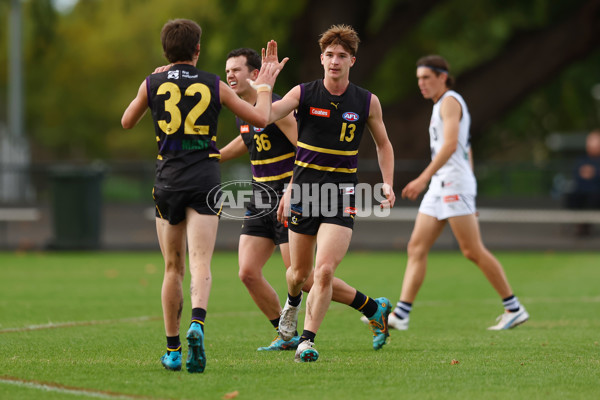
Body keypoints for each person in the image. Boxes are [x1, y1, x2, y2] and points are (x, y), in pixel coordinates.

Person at [121, 19, 286, 373]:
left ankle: (172, 348)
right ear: (198, 50)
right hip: (205, 179)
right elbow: (260, 118)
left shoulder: (152, 82)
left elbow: (126, 122)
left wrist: (153, 83)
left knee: (172, 267)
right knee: (200, 263)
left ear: (166, 51)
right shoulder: (213, 83)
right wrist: (265, 86)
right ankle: (197, 323)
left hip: (168, 180)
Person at [220, 47, 395, 353]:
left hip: (296, 192)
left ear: (255, 74)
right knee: (249, 272)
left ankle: (360, 313)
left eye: (236, 70)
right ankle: (285, 332)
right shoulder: (244, 111)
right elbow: (246, 138)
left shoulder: (279, 106)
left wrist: (292, 187)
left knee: (309, 276)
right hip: (261, 196)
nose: (230, 76)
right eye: (227, 71)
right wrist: (213, 155)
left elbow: (307, 145)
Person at [266, 25, 396, 362]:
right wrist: (264, 86)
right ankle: (293, 302)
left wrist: (388, 183)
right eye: (329, 55)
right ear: (321, 59)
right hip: (305, 195)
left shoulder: (366, 101)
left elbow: (383, 144)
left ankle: (307, 341)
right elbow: (264, 115)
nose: (334, 61)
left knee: (324, 271)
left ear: (352, 60)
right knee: (298, 275)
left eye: (341, 56)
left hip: (341, 196)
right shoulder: (304, 94)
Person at [388, 55, 528, 332]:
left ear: (442, 76)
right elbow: (467, 148)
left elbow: (452, 145)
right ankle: (401, 314)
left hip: (451, 184)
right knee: (416, 247)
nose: (421, 84)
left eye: (426, 77)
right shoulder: (441, 104)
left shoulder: (450, 101)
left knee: (471, 250)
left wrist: (422, 178)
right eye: (418, 79)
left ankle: (514, 308)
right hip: (443, 185)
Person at [565, 129, 600, 236]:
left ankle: (584, 224)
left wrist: (594, 173)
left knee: (594, 196)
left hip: (596, 193)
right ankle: (581, 223)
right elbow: (577, 174)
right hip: (581, 192)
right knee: (572, 195)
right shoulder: (582, 159)